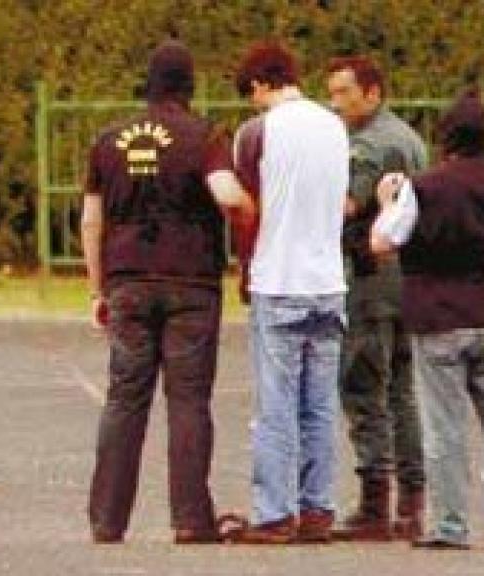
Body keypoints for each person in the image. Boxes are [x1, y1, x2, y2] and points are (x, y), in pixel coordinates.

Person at [83, 40, 255, 545]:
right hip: (190, 282)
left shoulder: (108, 140)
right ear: (189, 85)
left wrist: (97, 288)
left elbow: (92, 220)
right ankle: (190, 519)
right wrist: (249, 216)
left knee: (124, 398)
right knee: (188, 400)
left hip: (127, 280)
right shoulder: (204, 136)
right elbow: (226, 194)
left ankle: (107, 519)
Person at [225, 41, 350, 544]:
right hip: (329, 281)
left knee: (276, 405)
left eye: (251, 94)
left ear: (260, 84)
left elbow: (247, 207)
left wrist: (245, 265)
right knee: (320, 404)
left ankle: (275, 512)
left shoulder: (258, 132)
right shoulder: (334, 125)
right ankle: (318, 507)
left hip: (279, 279)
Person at [371, 88, 484, 550]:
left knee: (445, 426)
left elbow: (383, 241)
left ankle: (452, 523)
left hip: (437, 313)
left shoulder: (425, 186)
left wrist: (386, 202)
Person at [326, 55, 427, 541]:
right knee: (403, 389)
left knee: (364, 385)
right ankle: (412, 500)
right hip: (409, 278)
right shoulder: (410, 137)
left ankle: (374, 502)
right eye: (332, 92)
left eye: (344, 92)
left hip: (369, 276)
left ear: (372, 92)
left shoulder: (368, 146)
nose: (335, 103)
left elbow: (345, 205)